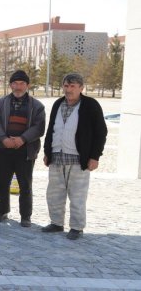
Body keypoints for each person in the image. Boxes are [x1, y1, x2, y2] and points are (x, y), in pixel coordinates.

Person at [42, 73, 107, 240]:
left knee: (77, 196)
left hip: (79, 159)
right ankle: (56, 223)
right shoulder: (58, 104)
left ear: (81, 88)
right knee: (54, 194)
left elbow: (101, 132)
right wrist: (47, 152)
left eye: (72, 86)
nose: (68, 89)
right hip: (57, 157)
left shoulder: (90, 105)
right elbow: (51, 129)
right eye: (66, 86)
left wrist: (94, 156)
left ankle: (77, 227)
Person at [0, 70, 45, 227]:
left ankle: (26, 216)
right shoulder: (1, 103)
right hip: (4, 148)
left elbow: (39, 127)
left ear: (27, 85)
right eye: (15, 83)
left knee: (25, 184)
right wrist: (3, 139)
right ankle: (2, 211)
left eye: (22, 83)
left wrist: (22, 139)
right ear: (10, 85)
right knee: (2, 182)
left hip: (26, 150)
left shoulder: (37, 106)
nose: (18, 87)